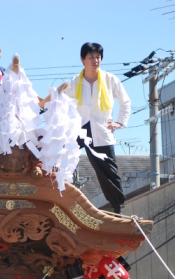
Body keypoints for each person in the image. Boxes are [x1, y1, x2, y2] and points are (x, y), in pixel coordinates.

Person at [43, 42, 131, 214]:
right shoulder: (75, 82)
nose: (95, 60)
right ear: (83, 59)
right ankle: (52, 197)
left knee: (108, 170)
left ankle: (117, 207)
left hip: (101, 130)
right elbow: (57, 98)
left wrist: (119, 122)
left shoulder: (110, 79)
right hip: (78, 129)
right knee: (57, 155)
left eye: (98, 57)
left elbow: (125, 101)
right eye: (91, 57)